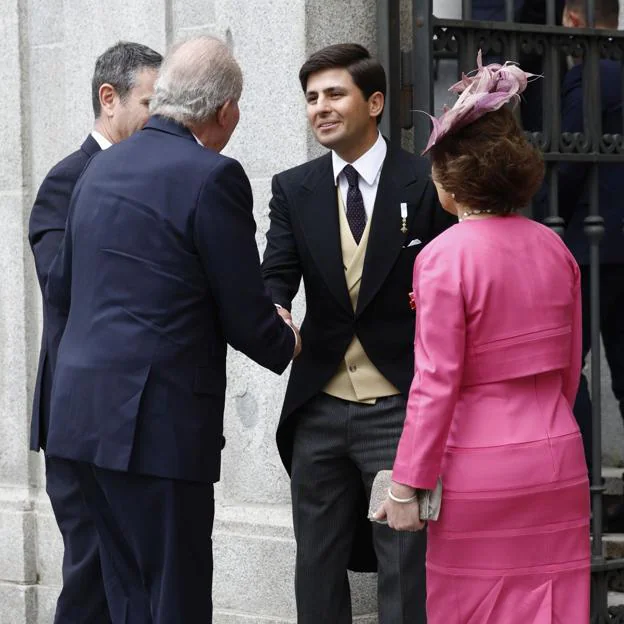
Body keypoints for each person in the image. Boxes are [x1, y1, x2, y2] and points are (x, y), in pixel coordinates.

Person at [44, 35, 299, 624]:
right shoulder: (214, 176)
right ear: (225, 110)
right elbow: (244, 312)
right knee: (176, 597)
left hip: (85, 422)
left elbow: (61, 291)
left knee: (127, 593)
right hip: (160, 426)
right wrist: (285, 337)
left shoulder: (96, 168)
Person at [375, 53, 590, 623]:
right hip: (555, 451)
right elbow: (570, 369)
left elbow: (436, 383)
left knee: (473, 606)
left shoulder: (444, 257)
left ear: (451, 178)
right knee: (554, 601)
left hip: (478, 461)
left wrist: (407, 485)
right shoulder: (555, 247)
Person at [262, 43, 454, 623]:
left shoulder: (425, 180)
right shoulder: (293, 187)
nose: (320, 107)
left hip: (400, 406)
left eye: (334, 94)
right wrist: (275, 307)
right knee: (316, 567)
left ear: (374, 102)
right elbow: (276, 272)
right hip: (318, 405)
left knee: (405, 566)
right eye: (312, 97)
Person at [28, 40, 162, 624]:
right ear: (109, 99)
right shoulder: (68, 180)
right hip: (82, 422)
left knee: (133, 578)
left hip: (139, 419)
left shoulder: (155, 175)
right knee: (90, 578)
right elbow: (67, 293)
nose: (164, 122)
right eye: (152, 104)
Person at [555, 0, 624, 528]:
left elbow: (570, 159)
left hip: (587, 248)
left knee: (562, 375)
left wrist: (543, 221)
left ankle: (581, 498)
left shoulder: (591, 75)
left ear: (573, 20)